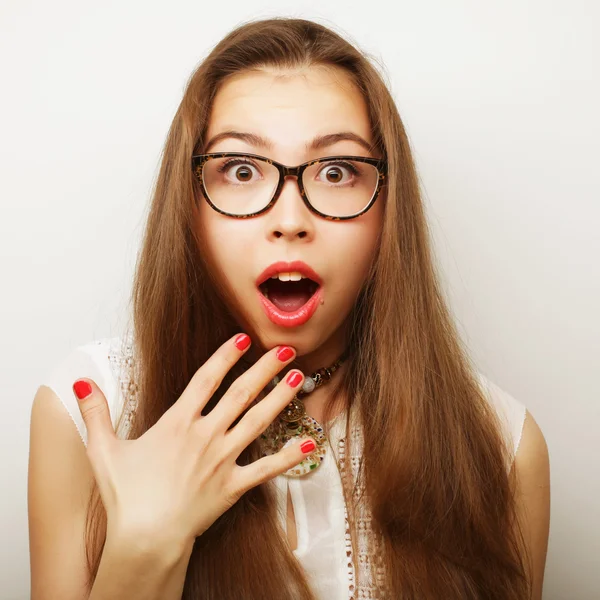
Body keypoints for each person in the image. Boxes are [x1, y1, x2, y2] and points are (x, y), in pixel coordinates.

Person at [27, 17, 550, 600]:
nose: (290, 220)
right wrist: (147, 545)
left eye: (336, 172)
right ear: (189, 205)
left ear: (389, 209)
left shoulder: (502, 445)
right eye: (241, 170)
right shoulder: (93, 413)